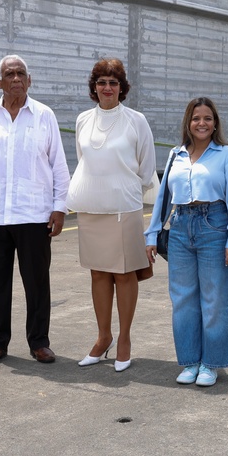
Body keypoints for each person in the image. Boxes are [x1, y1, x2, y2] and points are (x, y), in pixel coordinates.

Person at [0, 55, 70, 367]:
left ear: (29, 80)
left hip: (35, 216)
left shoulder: (44, 116)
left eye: (21, 73)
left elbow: (58, 166)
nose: (16, 78)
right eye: (9, 74)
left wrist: (59, 208)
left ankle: (39, 342)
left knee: (37, 283)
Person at [145, 98, 228, 387]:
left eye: (207, 118)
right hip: (179, 228)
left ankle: (211, 363)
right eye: (195, 118)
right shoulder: (175, 155)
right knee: (183, 299)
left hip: (214, 226)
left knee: (215, 299)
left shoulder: (227, 155)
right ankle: (190, 361)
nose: (201, 123)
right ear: (187, 123)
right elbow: (163, 197)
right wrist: (153, 233)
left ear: (215, 123)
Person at [67, 59, 156, 372]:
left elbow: (146, 169)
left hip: (124, 208)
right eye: (102, 82)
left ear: (122, 88)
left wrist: (124, 189)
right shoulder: (82, 120)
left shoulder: (136, 120)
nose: (107, 88)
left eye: (113, 82)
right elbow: (84, 162)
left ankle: (124, 339)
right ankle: (103, 337)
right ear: (94, 87)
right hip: (92, 209)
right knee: (98, 272)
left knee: (124, 273)